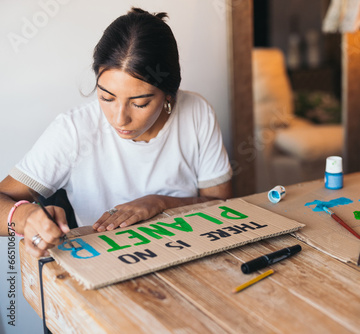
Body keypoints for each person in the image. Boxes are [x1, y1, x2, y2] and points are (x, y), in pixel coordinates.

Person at [0, 8, 233, 258]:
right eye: (106, 97)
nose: (119, 118)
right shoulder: (75, 130)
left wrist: (159, 203)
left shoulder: (197, 112)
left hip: (188, 254)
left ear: (169, 93)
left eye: (140, 103)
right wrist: (26, 216)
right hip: (107, 263)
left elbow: (221, 204)